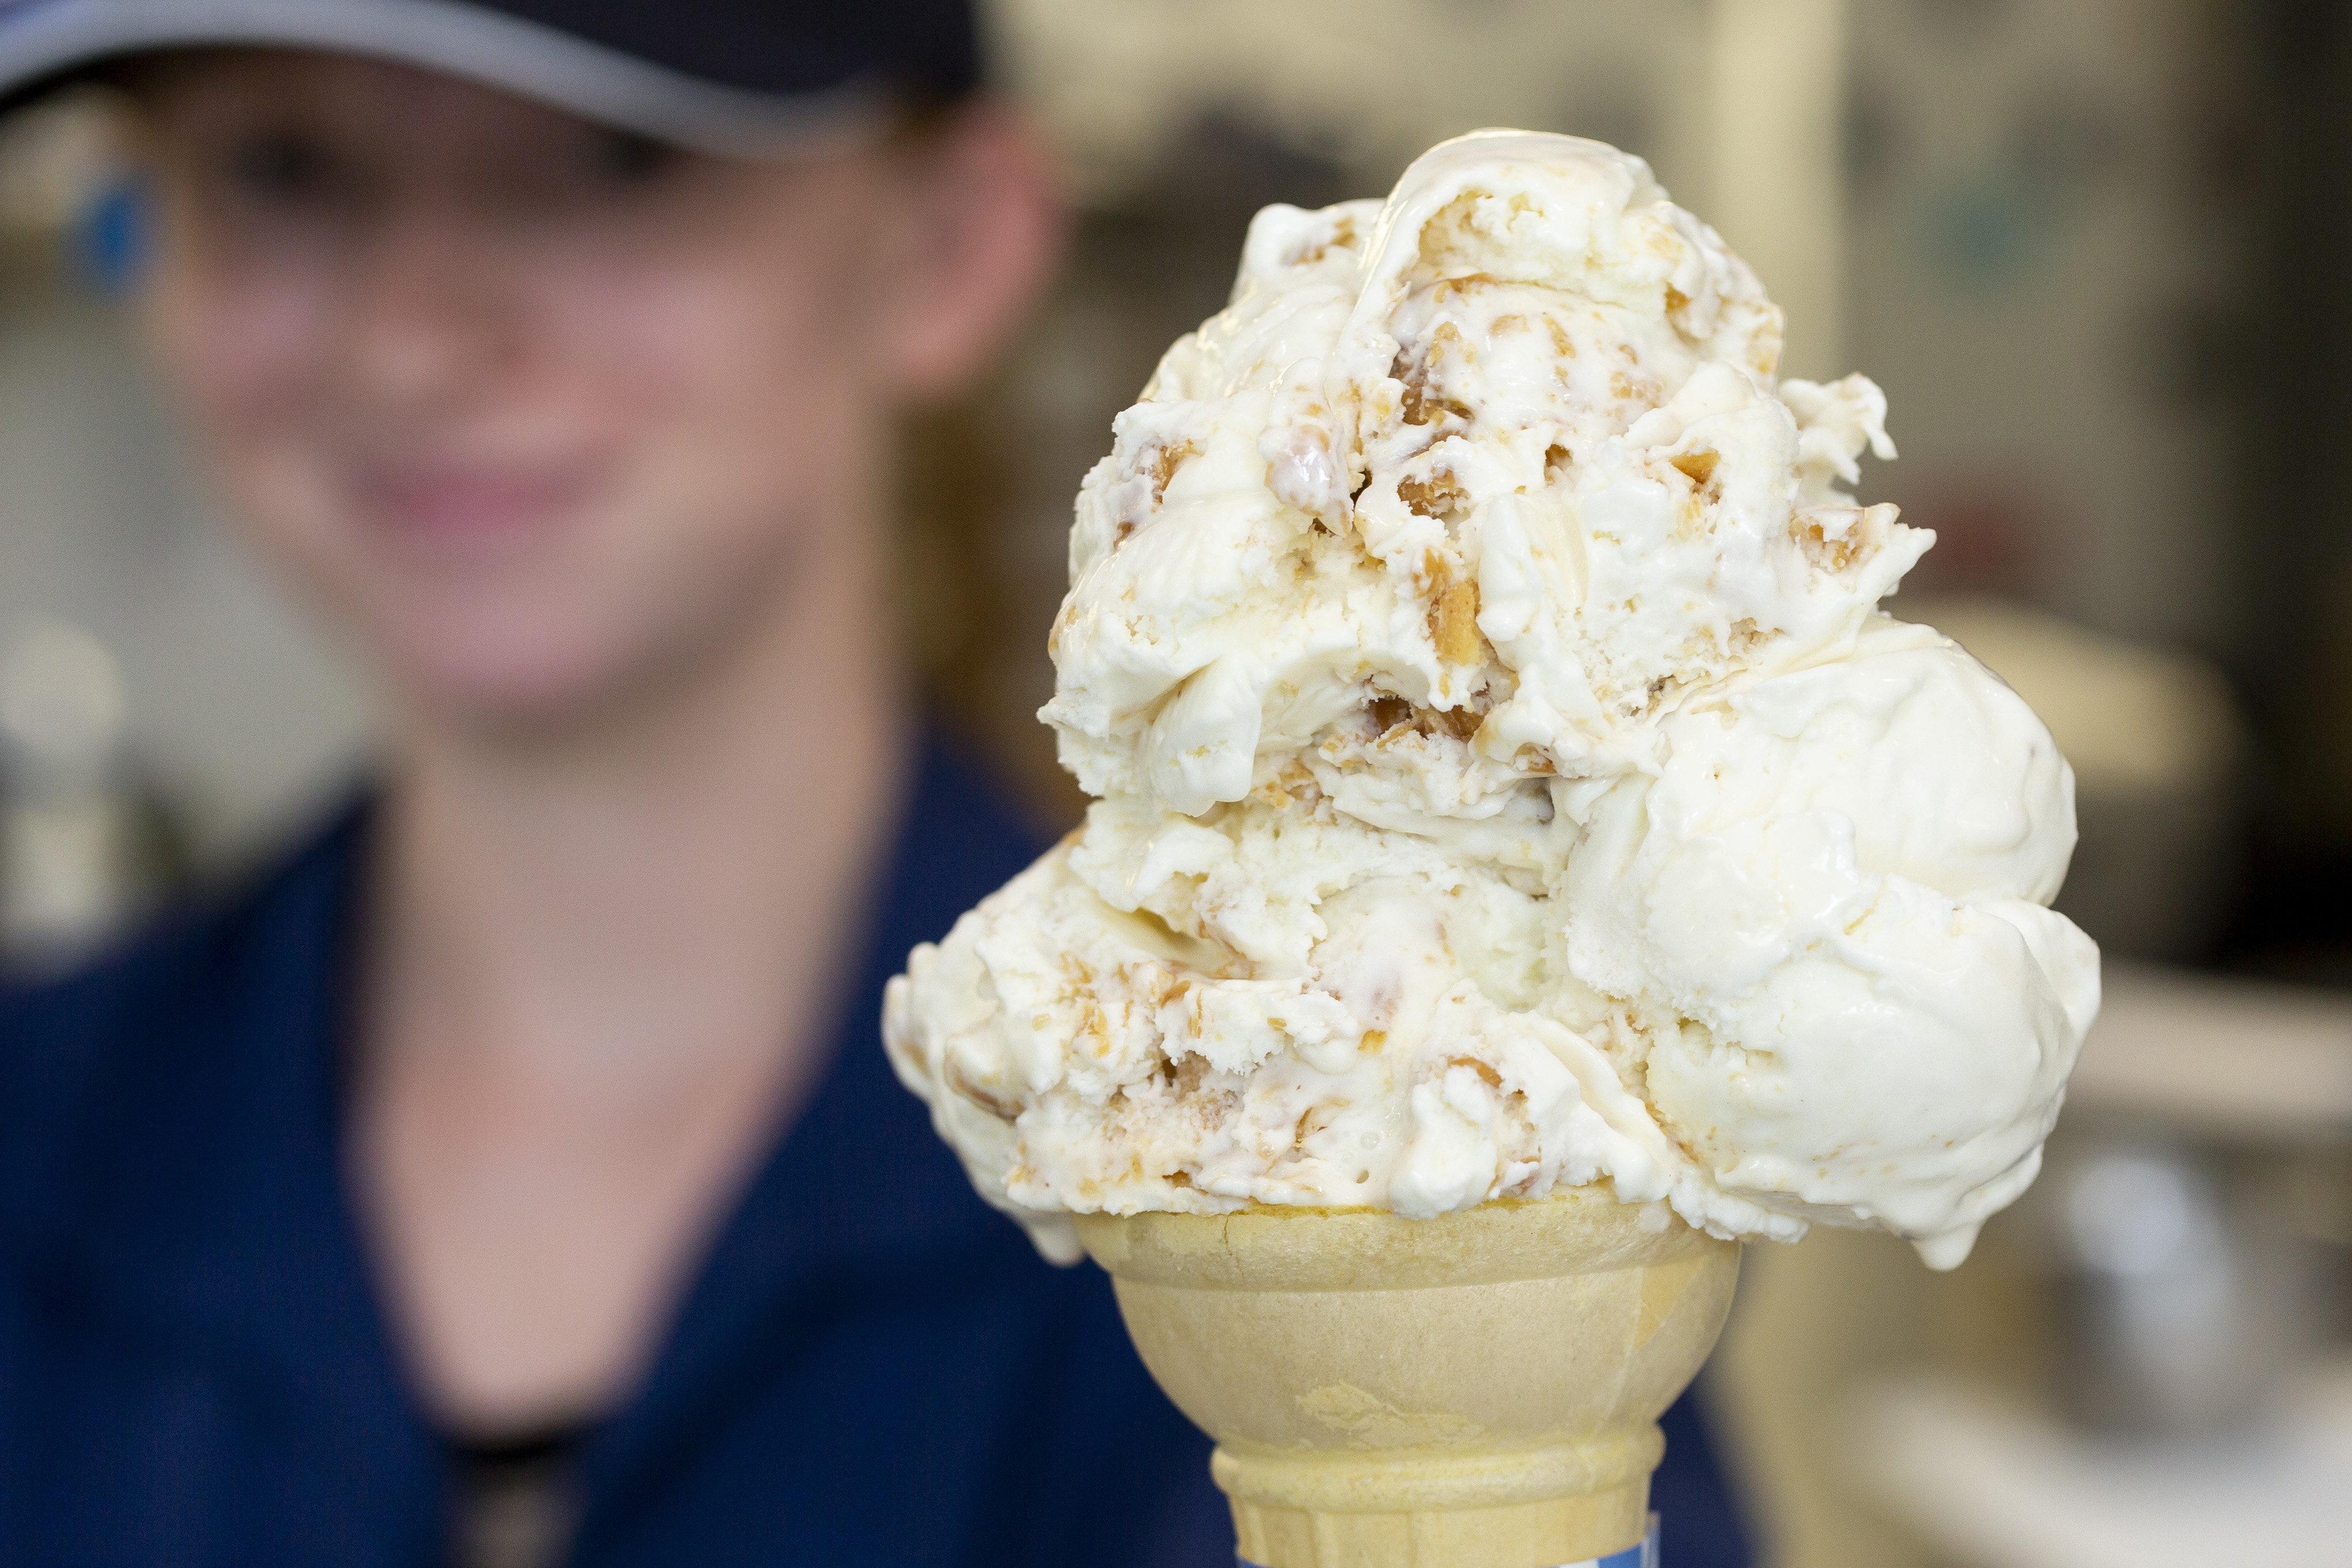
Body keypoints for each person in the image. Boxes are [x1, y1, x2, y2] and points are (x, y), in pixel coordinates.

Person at [0, 3, 1758, 1565]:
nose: (409, 341)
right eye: (285, 168)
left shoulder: (1394, 1177)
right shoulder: (38, 1136)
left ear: (946, 245)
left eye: (610, 163)